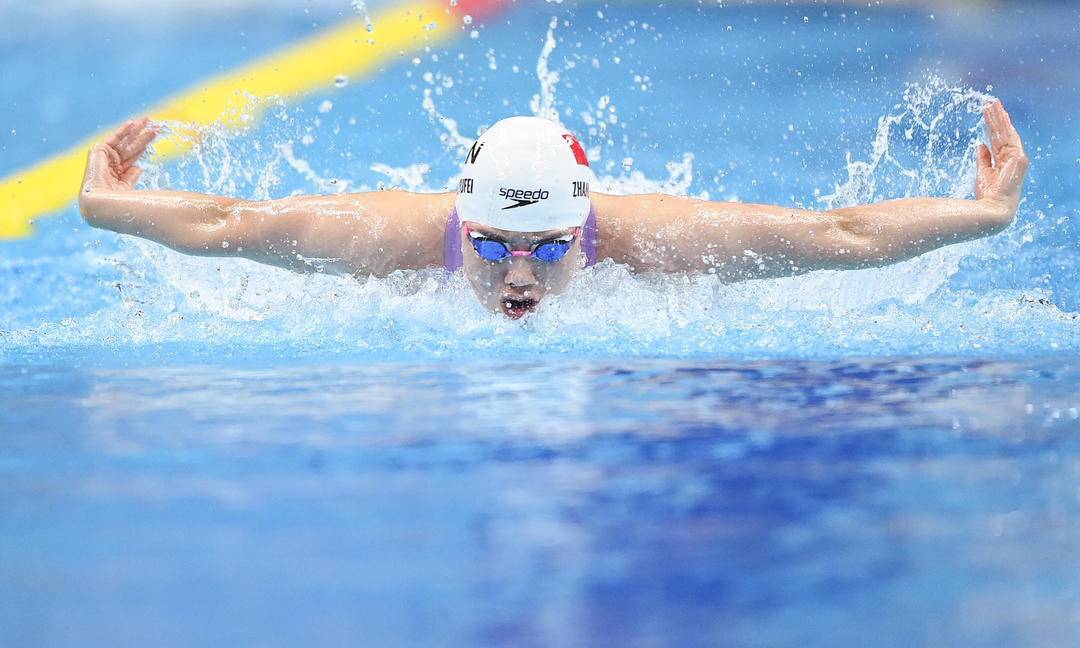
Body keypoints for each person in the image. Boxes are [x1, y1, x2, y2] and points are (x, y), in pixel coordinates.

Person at [79, 102, 1028, 319]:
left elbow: (836, 237)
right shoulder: (395, 235)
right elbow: (230, 225)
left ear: (584, 226)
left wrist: (979, 214)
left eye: (545, 248)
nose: (521, 276)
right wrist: (102, 205)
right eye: (491, 246)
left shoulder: (647, 236)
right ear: (461, 224)